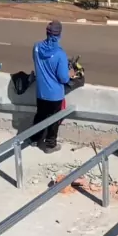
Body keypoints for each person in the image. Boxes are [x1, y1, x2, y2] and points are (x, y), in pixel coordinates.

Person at [31, 20, 70, 152]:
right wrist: (70, 73)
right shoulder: (60, 54)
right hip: (55, 95)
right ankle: (50, 145)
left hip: (41, 92)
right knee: (54, 120)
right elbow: (63, 78)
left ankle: (35, 139)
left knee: (40, 115)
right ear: (59, 35)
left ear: (47, 33)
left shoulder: (36, 47)